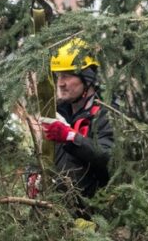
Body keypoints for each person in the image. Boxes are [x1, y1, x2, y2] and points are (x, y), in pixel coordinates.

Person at [40, 38, 114, 203]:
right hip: (54, 208)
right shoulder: (57, 112)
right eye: (59, 76)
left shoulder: (105, 114)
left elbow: (107, 157)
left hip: (91, 209)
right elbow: (42, 153)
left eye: (67, 76)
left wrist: (72, 137)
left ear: (86, 78)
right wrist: (34, 174)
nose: (60, 83)